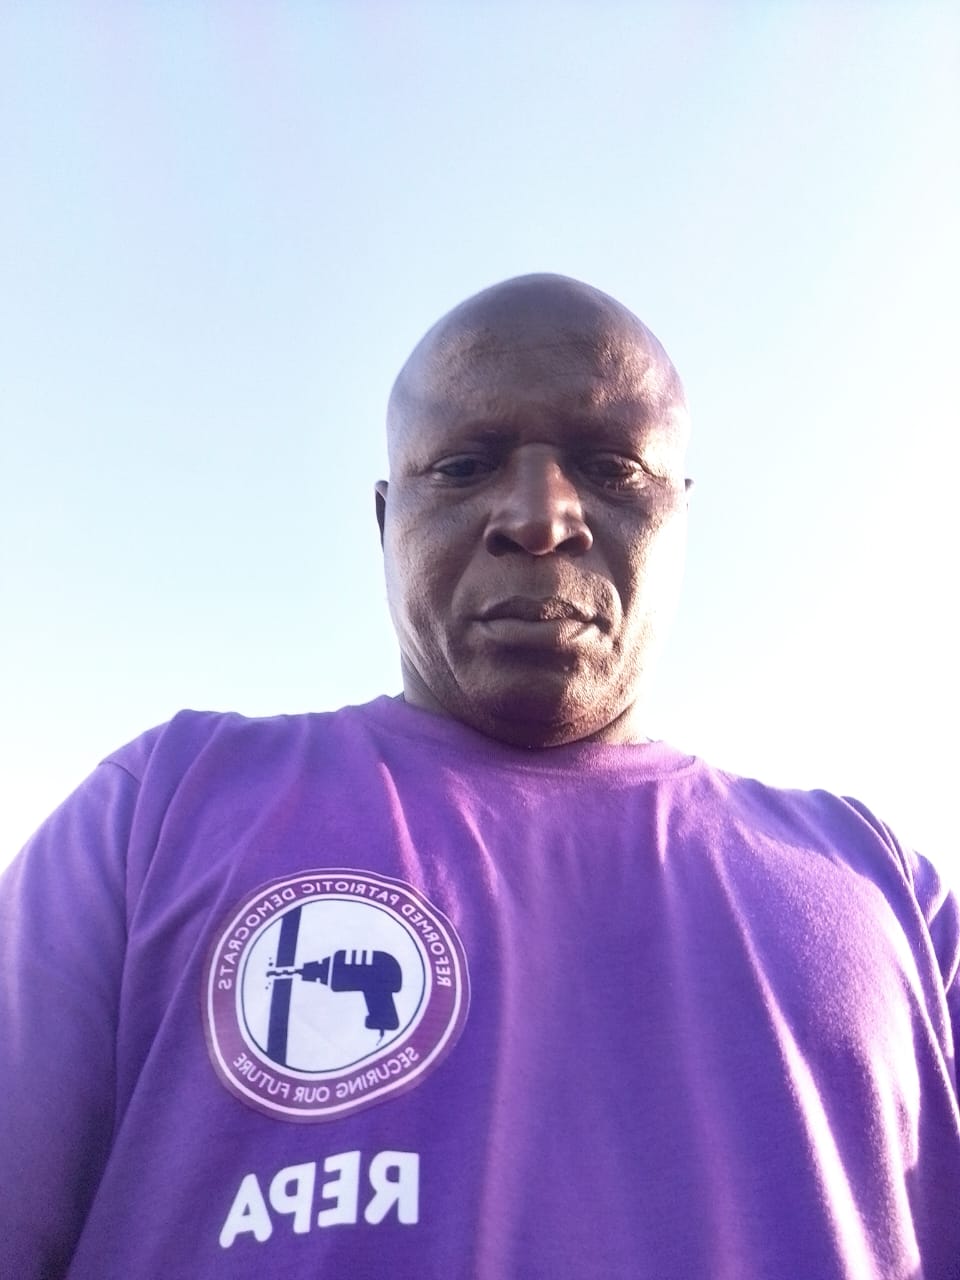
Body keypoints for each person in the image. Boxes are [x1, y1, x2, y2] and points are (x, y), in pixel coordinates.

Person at [1, 274, 958, 1280]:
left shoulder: (892, 889)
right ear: (387, 521)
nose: (541, 517)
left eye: (611, 466)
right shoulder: (158, 810)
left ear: (679, 514)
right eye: (463, 465)